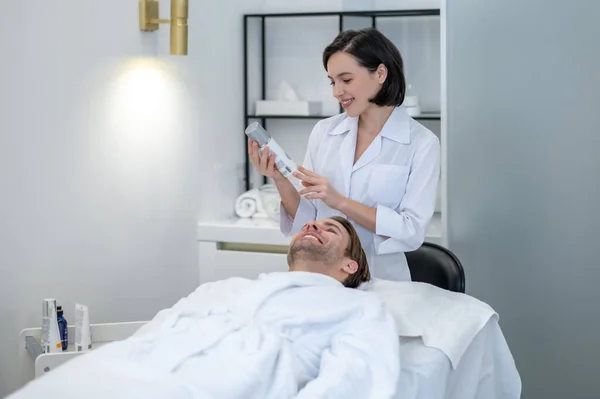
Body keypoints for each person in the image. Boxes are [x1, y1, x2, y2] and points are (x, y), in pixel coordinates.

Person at [10, 217, 400, 399]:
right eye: (310, 225)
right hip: (139, 364)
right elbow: (158, 329)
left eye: (330, 230)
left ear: (349, 266)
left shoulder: (356, 307)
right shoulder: (229, 289)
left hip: (233, 377)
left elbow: (356, 377)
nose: (313, 227)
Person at [249, 28, 440, 282]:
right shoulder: (325, 132)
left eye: (346, 80)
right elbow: (308, 217)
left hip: (383, 282)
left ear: (380, 73)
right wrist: (279, 178)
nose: (337, 91)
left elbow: (411, 231)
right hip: (323, 279)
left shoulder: (422, 143)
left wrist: (340, 202)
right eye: (332, 81)